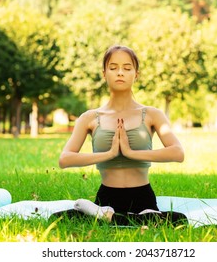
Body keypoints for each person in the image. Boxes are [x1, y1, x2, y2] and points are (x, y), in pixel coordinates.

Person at [58, 45, 186, 226]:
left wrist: (131, 153)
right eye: (113, 68)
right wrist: (109, 154)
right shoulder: (89, 118)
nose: (120, 73)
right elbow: (65, 159)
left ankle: (108, 218)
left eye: (127, 68)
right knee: (59, 219)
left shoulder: (152, 114)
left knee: (180, 220)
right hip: (106, 197)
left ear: (136, 74)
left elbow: (178, 153)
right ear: (104, 74)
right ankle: (130, 219)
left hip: (142, 197)